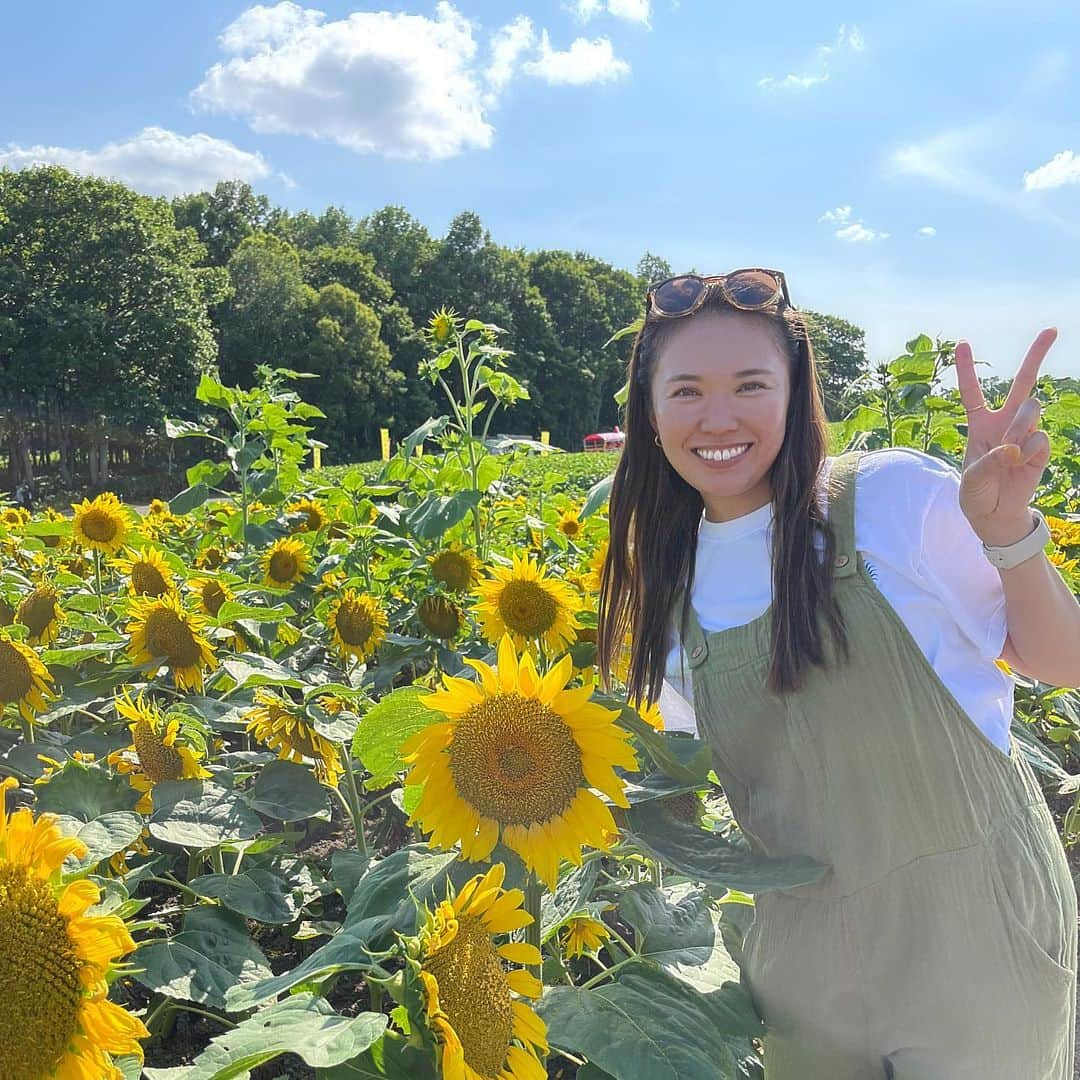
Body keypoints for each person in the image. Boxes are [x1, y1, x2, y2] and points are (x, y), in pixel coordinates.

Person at [595, 268, 1080, 1079]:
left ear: (795, 391)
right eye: (687, 392)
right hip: (804, 966)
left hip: (979, 946)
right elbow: (687, 781)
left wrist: (1010, 532)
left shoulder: (889, 499)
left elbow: (1062, 662)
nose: (718, 418)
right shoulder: (665, 583)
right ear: (650, 413)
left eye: (750, 384)